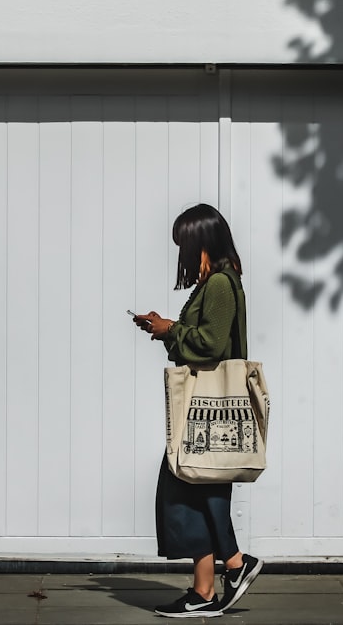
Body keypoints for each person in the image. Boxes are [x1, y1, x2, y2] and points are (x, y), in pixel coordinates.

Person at [133, 203, 263, 618]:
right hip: (204, 413)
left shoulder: (222, 284)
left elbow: (209, 343)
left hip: (210, 412)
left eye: (183, 246)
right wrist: (165, 328)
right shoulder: (215, 283)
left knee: (193, 490)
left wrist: (171, 329)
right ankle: (207, 588)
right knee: (189, 492)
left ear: (201, 243)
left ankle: (235, 566)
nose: (181, 255)